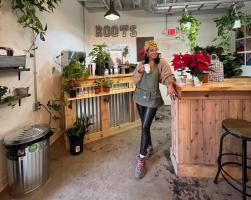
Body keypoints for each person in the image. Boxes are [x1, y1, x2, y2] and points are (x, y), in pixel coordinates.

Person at [132, 40, 177, 179]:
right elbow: (134, 80)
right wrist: (138, 72)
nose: (154, 52)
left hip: (152, 99)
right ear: (146, 52)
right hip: (139, 97)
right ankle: (149, 146)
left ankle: (141, 158)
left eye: (156, 49)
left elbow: (168, 76)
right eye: (151, 50)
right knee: (145, 127)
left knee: (145, 126)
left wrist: (170, 84)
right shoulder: (141, 64)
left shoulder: (161, 63)